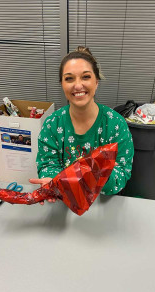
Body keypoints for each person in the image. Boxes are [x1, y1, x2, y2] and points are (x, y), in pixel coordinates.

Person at [29, 46, 134, 203]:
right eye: (69, 78)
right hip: (65, 200)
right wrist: (52, 182)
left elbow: (121, 175)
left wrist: (100, 173)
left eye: (85, 77)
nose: (78, 86)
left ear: (96, 82)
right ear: (62, 84)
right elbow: (47, 165)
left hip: (103, 203)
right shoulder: (52, 124)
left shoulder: (115, 124)